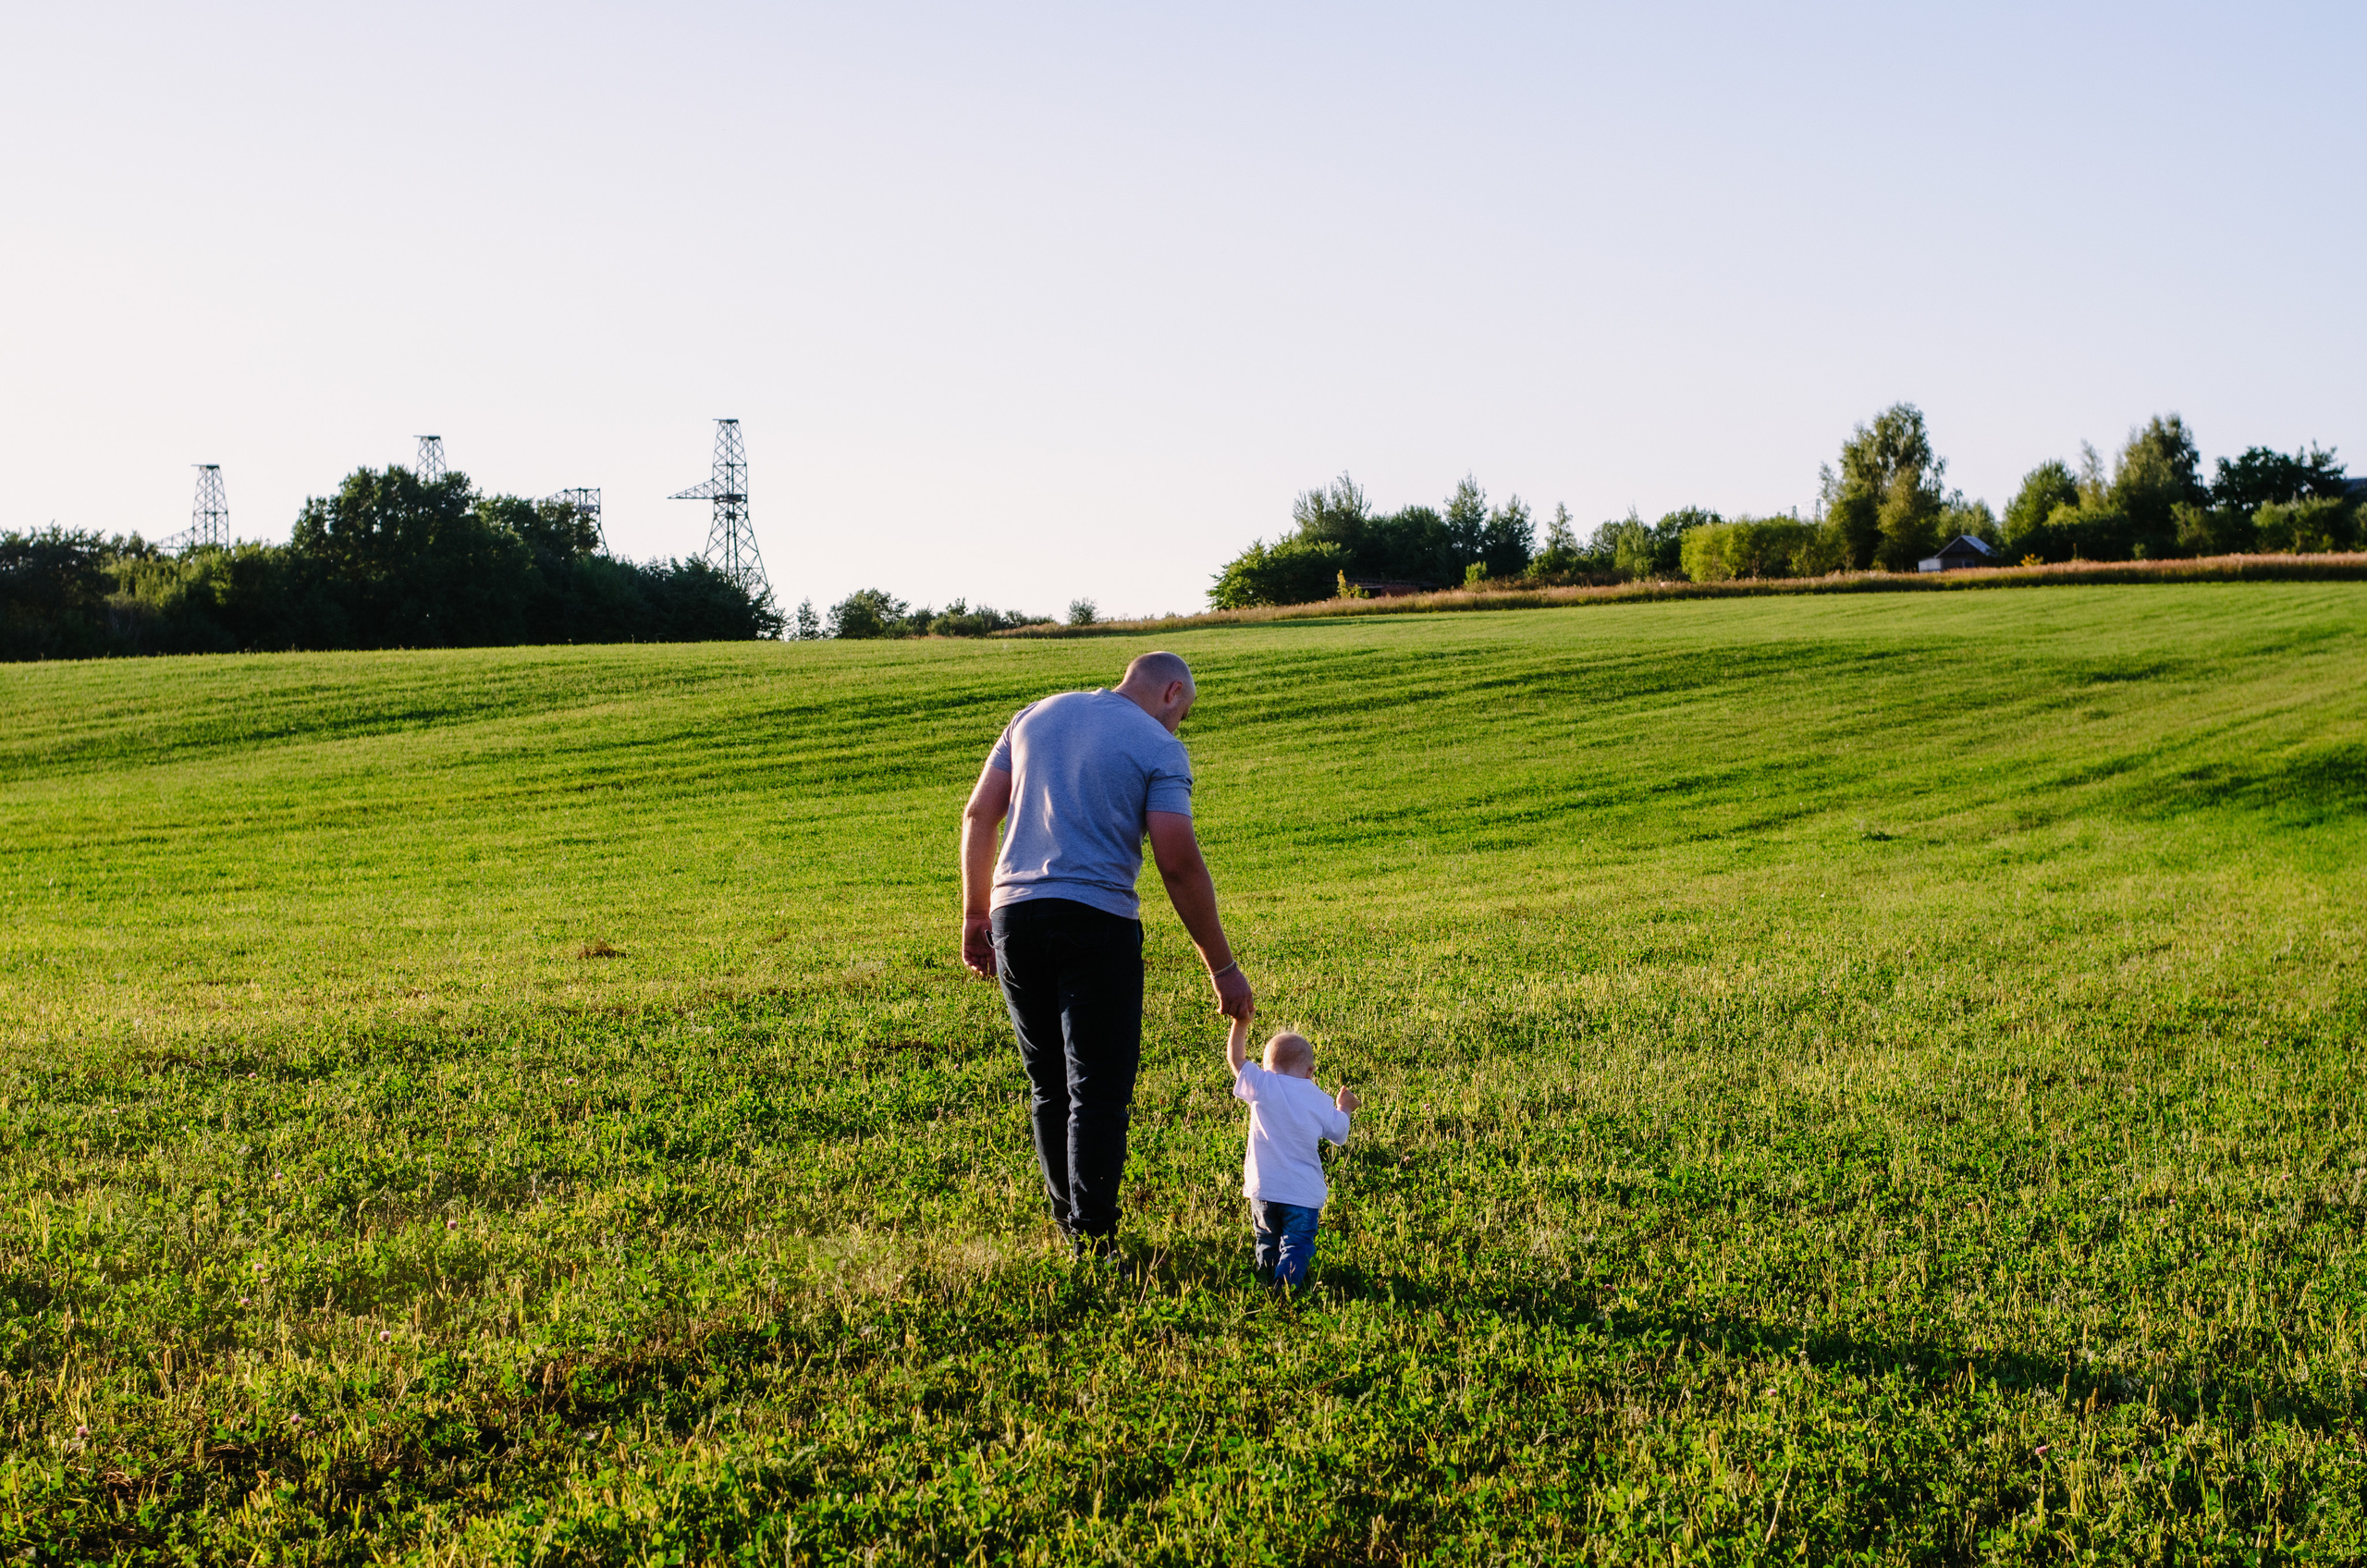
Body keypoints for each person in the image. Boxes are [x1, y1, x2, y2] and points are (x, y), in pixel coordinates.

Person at [960, 651, 1254, 1261]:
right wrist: (1222, 966)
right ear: (1172, 692)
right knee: (1097, 1088)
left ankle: (1072, 1227)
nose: (1178, 727)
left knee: (1049, 1084)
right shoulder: (1157, 745)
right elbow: (1177, 859)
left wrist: (975, 912)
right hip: (1096, 921)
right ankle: (1094, 1238)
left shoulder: (1032, 717)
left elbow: (979, 813)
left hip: (1015, 915)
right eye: (1183, 714)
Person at [1226, 1012, 1359, 1290]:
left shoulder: (1262, 1085)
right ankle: (1286, 1285)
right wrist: (1344, 1106)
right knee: (1297, 1243)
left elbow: (1236, 1059)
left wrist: (1240, 1024)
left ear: (1265, 1066)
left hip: (1263, 1190)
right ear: (1310, 1071)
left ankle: (1268, 1279)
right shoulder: (1318, 1099)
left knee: (1267, 1240)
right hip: (1301, 1194)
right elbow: (1339, 1134)